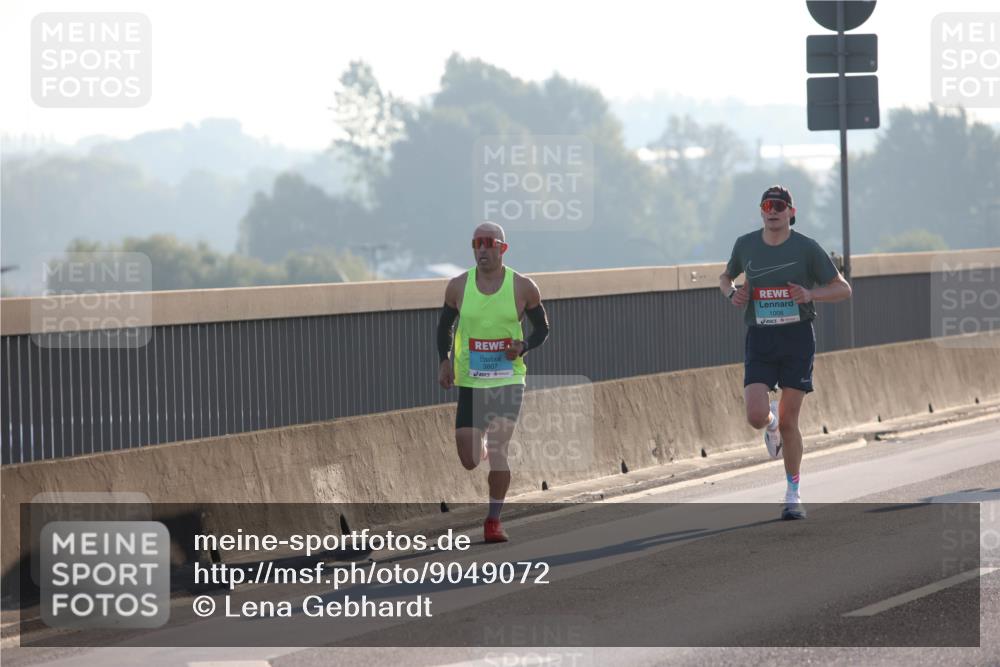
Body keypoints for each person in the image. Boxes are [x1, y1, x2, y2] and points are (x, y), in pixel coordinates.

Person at [719, 186, 852, 520]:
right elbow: (725, 277)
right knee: (754, 415)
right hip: (761, 338)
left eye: (779, 206)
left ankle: (793, 493)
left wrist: (810, 294)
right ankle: (770, 422)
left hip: (797, 339)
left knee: (792, 420)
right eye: (767, 205)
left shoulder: (806, 248)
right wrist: (731, 293)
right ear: (761, 211)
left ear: (791, 212)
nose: (773, 211)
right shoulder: (745, 244)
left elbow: (842, 289)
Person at [437, 222, 550, 542]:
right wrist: (444, 360)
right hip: (472, 381)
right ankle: (479, 444)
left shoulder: (523, 287)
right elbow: (444, 326)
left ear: (502, 248)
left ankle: (493, 520)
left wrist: (524, 346)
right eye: (476, 244)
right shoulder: (458, 286)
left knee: (500, 447)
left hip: (507, 379)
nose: (481, 249)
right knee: (469, 459)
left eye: (488, 244)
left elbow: (542, 329)